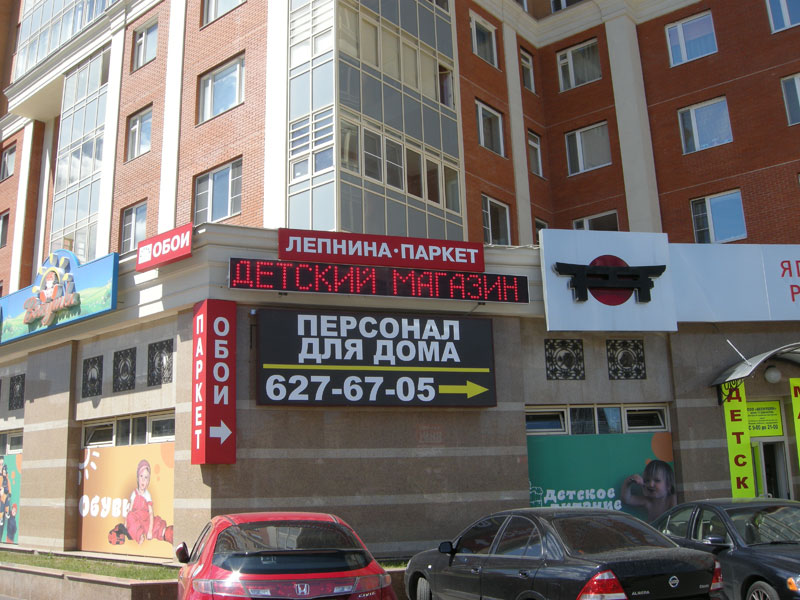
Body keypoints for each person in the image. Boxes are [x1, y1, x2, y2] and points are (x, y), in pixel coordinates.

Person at [125, 459, 173, 544]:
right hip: (137, 520)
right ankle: (139, 535)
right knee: (130, 518)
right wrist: (126, 523)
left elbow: (151, 513)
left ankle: (169, 534)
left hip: (146, 520)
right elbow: (130, 510)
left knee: (157, 528)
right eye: (141, 476)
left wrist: (150, 531)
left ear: (148, 481)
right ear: (137, 478)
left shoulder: (147, 495)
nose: (143, 480)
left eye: (146, 477)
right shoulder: (134, 493)